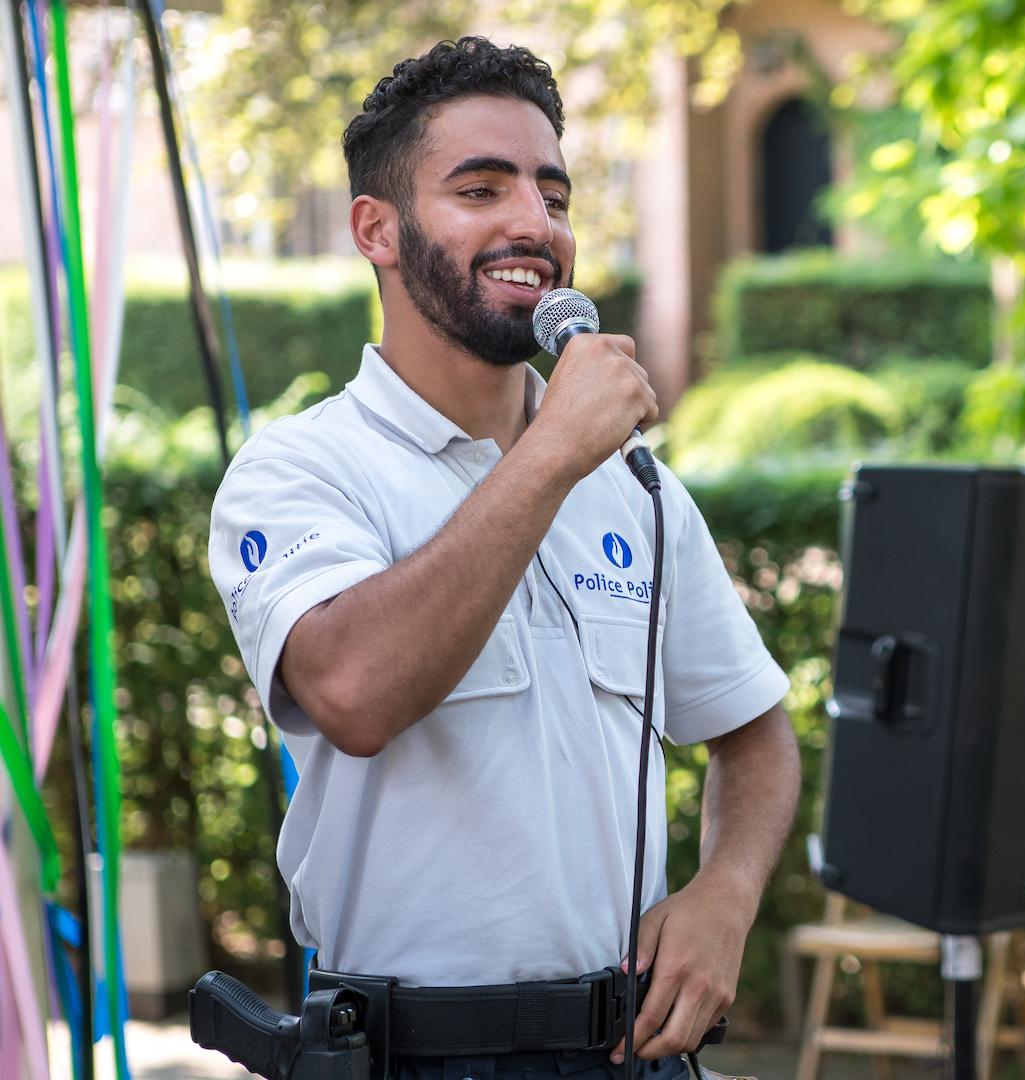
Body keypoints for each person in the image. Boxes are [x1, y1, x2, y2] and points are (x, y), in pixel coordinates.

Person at [208, 37, 800, 1080]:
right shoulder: (299, 470)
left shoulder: (635, 485)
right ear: (375, 229)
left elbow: (753, 730)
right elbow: (355, 690)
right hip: (413, 1055)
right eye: (481, 189)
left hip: (636, 1052)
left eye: (555, 195)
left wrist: (726, 896)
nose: (535, 224)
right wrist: (551, 458)